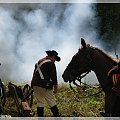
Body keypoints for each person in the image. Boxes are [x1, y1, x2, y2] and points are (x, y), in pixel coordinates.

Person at [31, 50, 61, 117]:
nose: (54, 61)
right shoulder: (51, 63)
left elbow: (34, 74)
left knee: (40, 102)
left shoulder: (38, 62)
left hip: (35, 85)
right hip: (44, 85)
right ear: (53, 56)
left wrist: (32, 85)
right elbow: (54, 77)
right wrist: (55, 88)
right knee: (51, 101)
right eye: (55, 59)